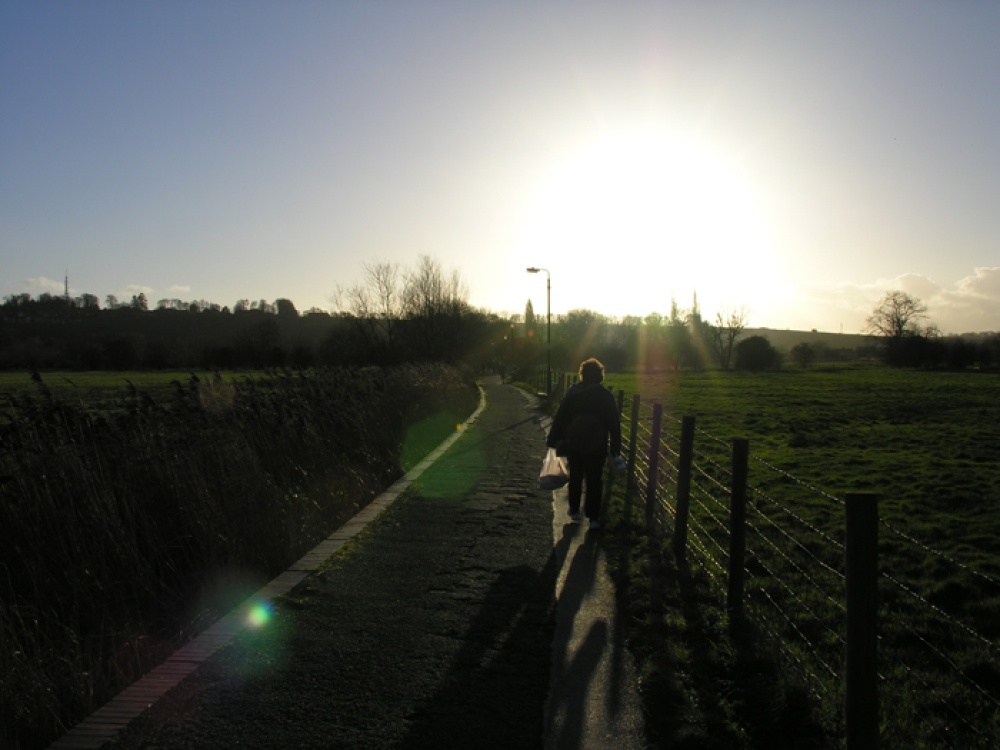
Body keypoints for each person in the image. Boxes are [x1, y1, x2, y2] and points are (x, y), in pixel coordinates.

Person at [546, 357, 622, 530]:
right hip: (597, 444)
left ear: (583, 375)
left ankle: (574, 509)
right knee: (595, 479)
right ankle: (593, 517)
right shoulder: (605, 396)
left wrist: (554, 439)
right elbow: (613, 422)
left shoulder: (573, 393)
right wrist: (616, 446)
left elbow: (562, 416)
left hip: (575, 442)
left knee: (576, 476)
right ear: (600, 375)